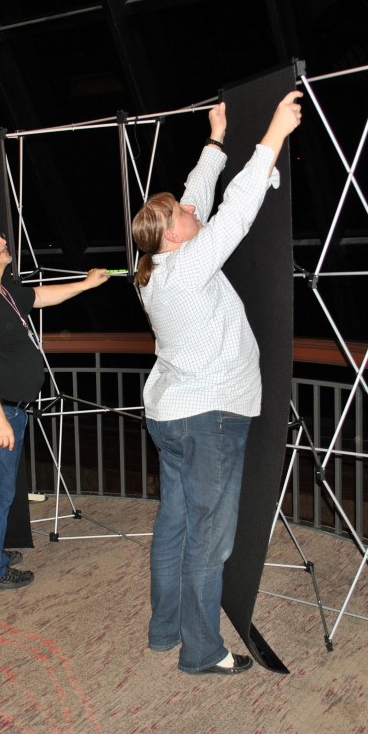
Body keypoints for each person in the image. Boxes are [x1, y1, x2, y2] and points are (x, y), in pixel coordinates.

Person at [131, 90, 303, 674]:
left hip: (171, 417)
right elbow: (235, 211)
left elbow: (199, 198)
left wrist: (215, 139)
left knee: (175, 526)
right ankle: (201, 651)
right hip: (210, 421)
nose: (189, 210)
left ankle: (164, 630)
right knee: (209, 539)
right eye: (180, 215)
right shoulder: (188, 269)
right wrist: (273, 136)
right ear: (174, 237)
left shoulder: (155, 271)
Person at [0, 218, 109, 591]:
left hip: (4, 409)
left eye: (0, 236)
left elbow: (40, 296)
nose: (2, 241)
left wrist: (86, 284)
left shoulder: (1, 291)